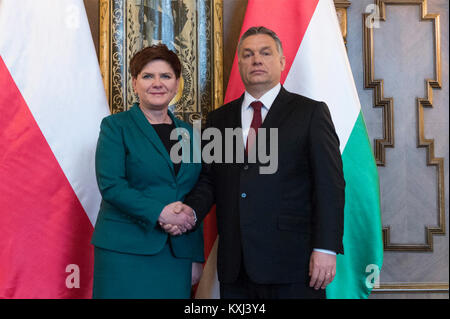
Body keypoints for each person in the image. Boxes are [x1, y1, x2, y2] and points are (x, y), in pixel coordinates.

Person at [161, 26, 345, 299]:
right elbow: (210, 180)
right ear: (239, 64)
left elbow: (330, 186)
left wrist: (326, 248)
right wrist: (190, 213)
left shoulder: (310, 113)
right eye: (247, 54)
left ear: (282, 61)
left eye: (265, 53)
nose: (256, 60)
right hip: (237, 265)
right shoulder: (219, 119)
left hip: (294, 263)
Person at [91, 44, 204, 299]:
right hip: (124, 251)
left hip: (177, 254)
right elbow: (112, 185)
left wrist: (195, 254)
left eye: (165, 76)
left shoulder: (189, 133)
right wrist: (160, 212)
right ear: (134, 83)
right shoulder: (115, 126)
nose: (157, 83)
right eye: (148, 76)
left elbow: (194, 191)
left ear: (176, 84)